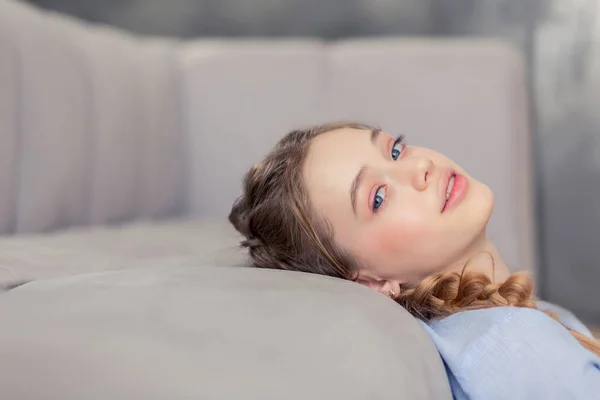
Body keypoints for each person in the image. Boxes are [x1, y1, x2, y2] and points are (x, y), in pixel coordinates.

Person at [229, 122, 600, 399]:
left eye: (394, 151)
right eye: (377, 197)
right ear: (369, 282)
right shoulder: (509, 344)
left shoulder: (507, 325)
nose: (420, 166)